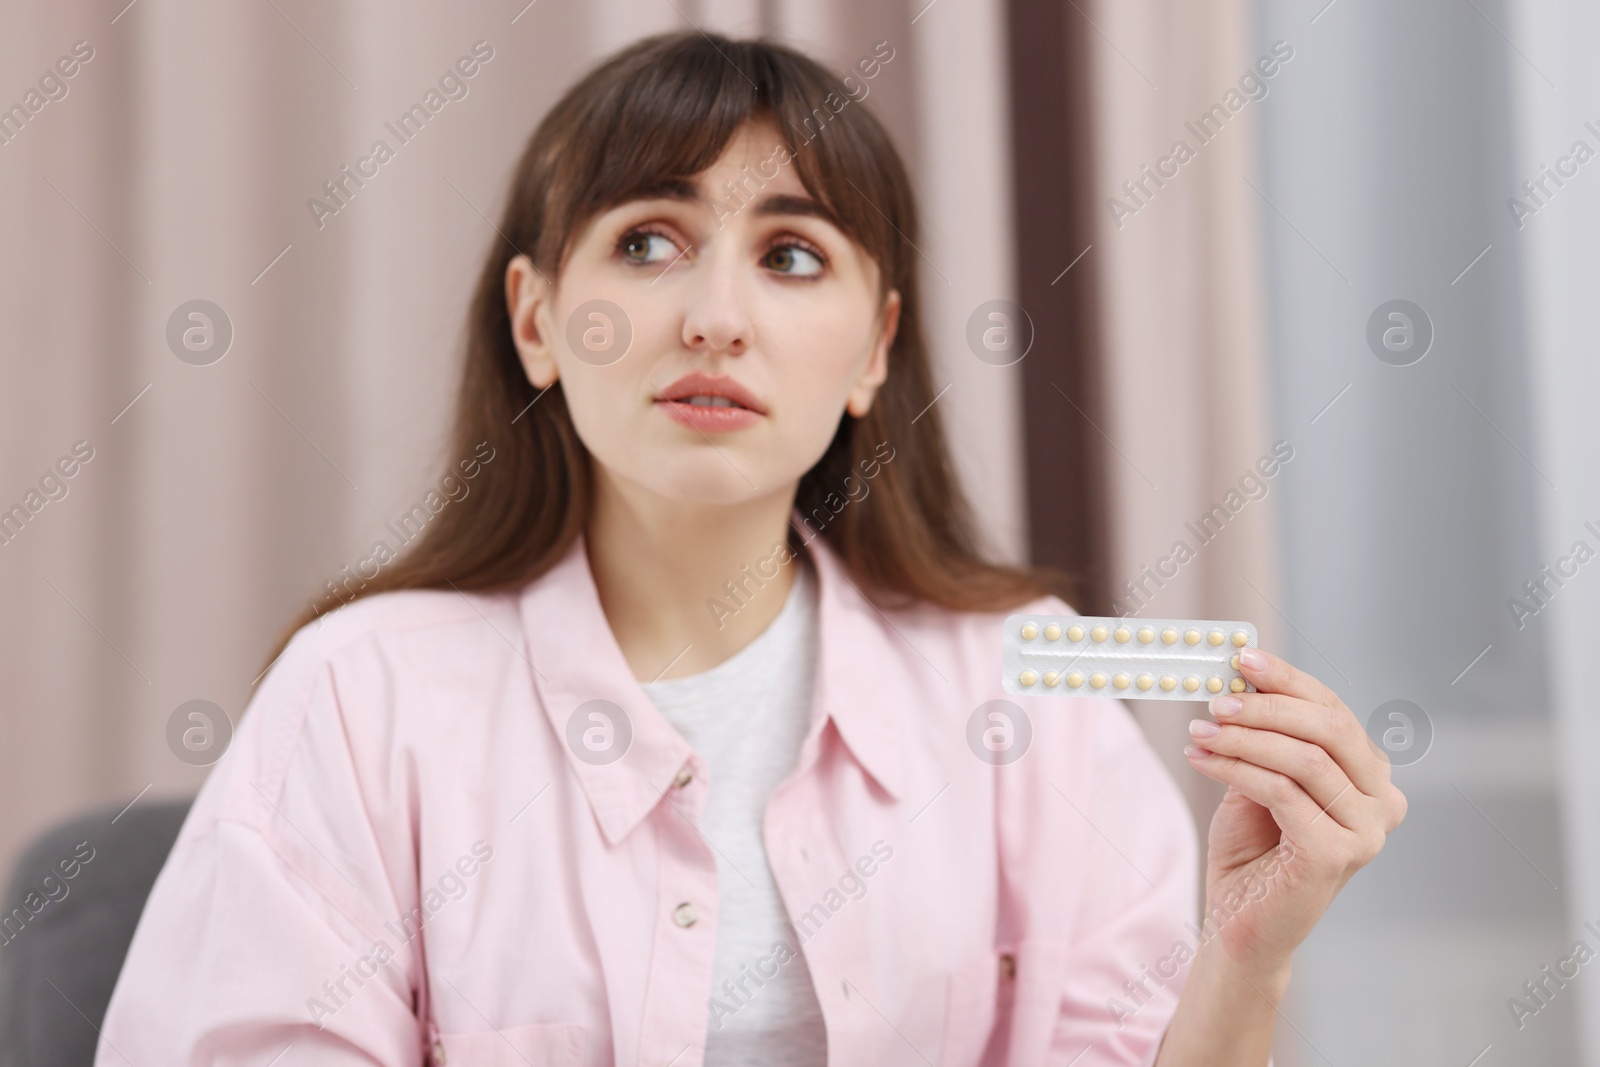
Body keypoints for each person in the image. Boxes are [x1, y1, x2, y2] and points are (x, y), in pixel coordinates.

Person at [96, 30, 1405, 1067]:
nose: (717, 317)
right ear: (538, 321)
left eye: (790, 255)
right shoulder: (359, 696)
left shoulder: (1024, 691)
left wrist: (1247, 963)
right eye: (649, 243)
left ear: (873, 350)